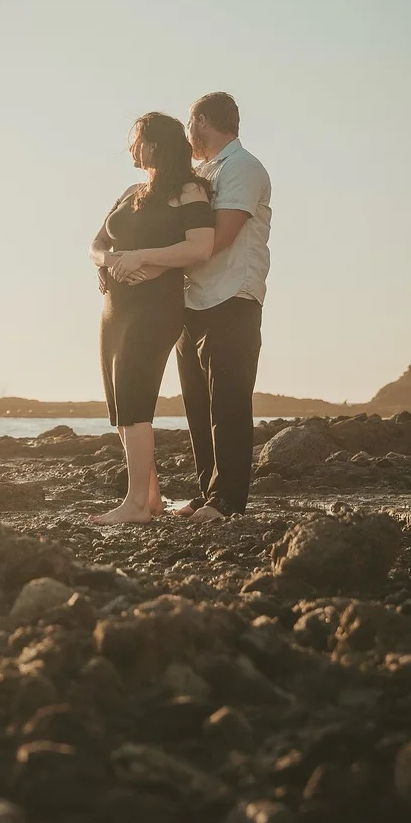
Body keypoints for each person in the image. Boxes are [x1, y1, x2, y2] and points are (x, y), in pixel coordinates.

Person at [88, 113, 215, 524]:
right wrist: (110, 260)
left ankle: (136, 505)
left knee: (136, 402)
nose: (131, 149)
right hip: (115, 309)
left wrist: (144, 259)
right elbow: (95, 244)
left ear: (156, 144)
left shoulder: (189, 190)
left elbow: (199, 246)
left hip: (155, 307)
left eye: (136, 140)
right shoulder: (130, 191)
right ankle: (151, 499)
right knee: (122, 407)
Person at [175, 92, 271, 522]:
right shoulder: (199, 172)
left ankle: (228, 500)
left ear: (201, 122)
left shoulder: (244, 168)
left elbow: (220, 238)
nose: (186, 135)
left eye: (188, 126)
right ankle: (207, 492)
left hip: (233, 298)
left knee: (229, 402)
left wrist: (155, 256)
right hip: (193, 301)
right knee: (197, 403)